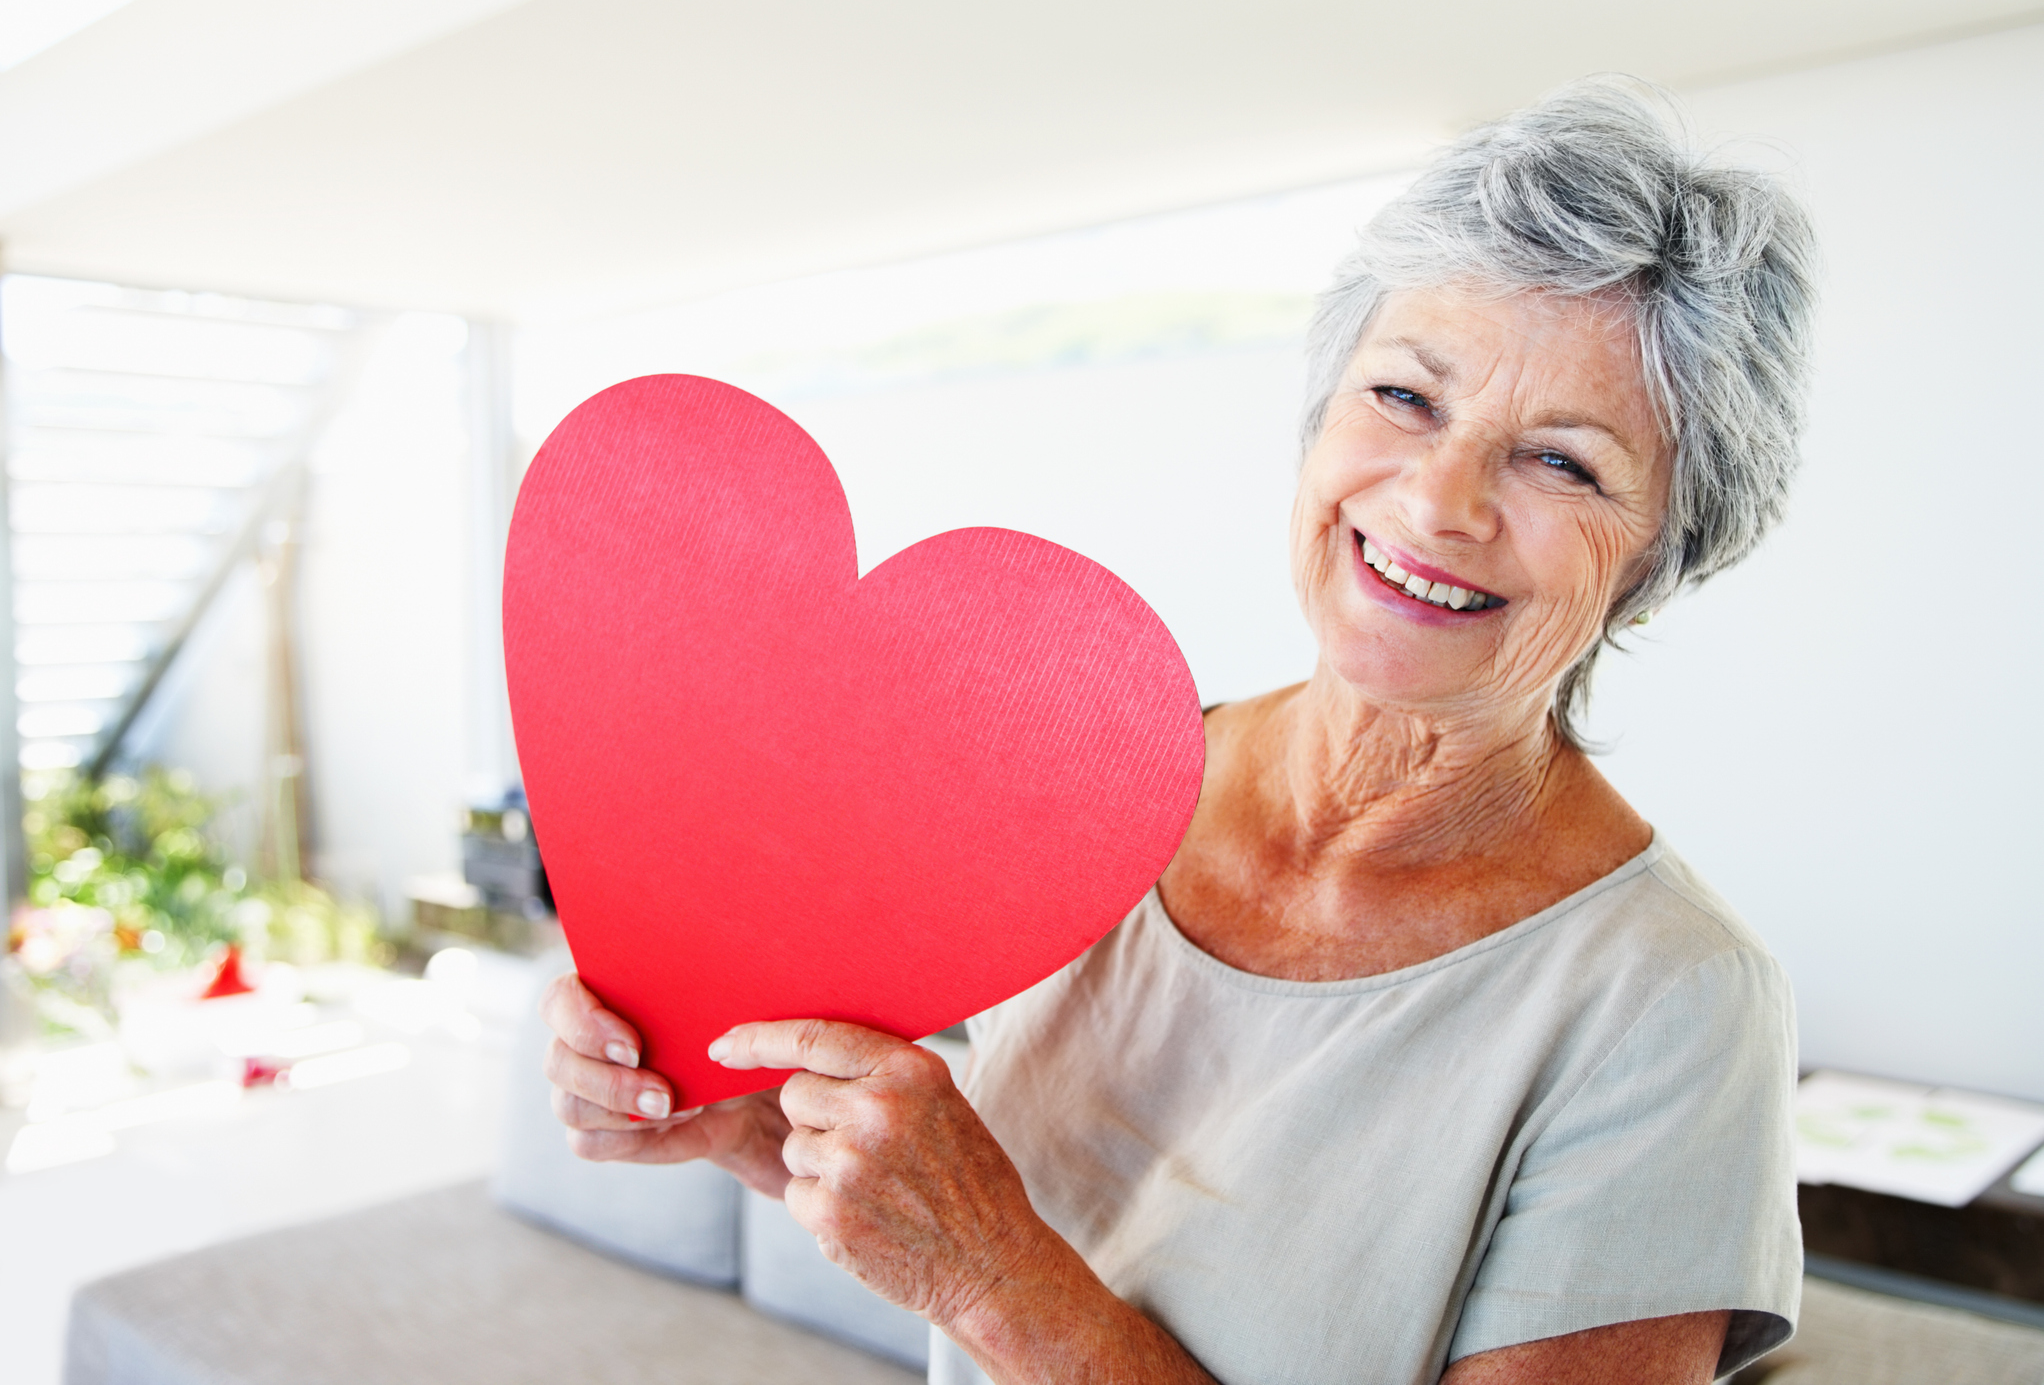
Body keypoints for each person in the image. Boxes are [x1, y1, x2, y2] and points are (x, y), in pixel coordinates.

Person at [539, 78, 1817, 1384]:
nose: (1438, 502)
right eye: (1405, 399)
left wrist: (992, 1280)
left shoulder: (1672, 1005)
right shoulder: (1086, 788)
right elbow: (984, 1211)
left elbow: (996, 1261)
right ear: (1320, 417)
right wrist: (756, 1128)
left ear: (1657, 555)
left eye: (1562, 462)